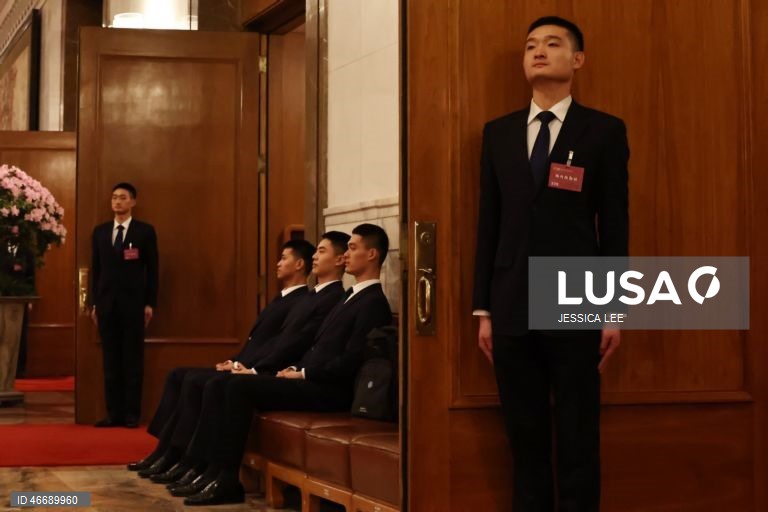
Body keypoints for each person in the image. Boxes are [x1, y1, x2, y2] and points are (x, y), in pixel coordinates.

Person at [472, 17, 629, 512]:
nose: (538, 52)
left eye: (552, 44)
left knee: (579, 431)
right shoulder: (497, 134)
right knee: (524, 434)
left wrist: (612, 308)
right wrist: (483, 310)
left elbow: (616, 225)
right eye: (531, 46)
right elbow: (488, 225)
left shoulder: (602, 130)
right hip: (510, 300)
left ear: (576, 60)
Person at [182, 223, 393, 506]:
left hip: (330, 390)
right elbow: (317, 347)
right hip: (310, 378)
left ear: (372, 255)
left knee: (238, 389)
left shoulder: (373, 301)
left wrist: (304, 372)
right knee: (226, 383)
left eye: (353, 249)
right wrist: (294, 369)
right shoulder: (349, 296)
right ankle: (210, 470)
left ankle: (226, 478)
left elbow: (352, 360)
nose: (347, 256)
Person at [155, 232, 349, 491]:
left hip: (307, 380)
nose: (315, 256)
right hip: (282, 368)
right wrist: (239, 363)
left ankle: (211, 469)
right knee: (192, 377)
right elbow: (274, 341)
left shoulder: (333, 298)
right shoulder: (312, 297)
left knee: (221, 385)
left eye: (321, 251)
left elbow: (300, 344)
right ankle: (180, 457)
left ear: (340, 259)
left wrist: (260, 369)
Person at [129, 238, 316, 473]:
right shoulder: (282, 297)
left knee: (200, 382)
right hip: (245, 363)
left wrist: (246, 366)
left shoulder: (301, 301)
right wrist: (235, 359)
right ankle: (166, 449)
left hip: (258, 370)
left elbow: (278, 346)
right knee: (179, 375)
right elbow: (257, 341)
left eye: (284, 258)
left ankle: (185, 458)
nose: (278, 263)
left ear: (299, 264)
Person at [90, 183, 159, 428]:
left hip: (133, 304)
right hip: (107, 304)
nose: (117, 202)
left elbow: (153, 271)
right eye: (114, 198)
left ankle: (132, 414)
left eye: (122, 198)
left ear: (132, 202)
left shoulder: (144, 232)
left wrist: (150, 302)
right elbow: (95, 270)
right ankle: (113, 413)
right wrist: (94, 304)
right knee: (110, 360)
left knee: (132, 359)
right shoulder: (100, 232)